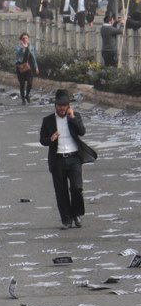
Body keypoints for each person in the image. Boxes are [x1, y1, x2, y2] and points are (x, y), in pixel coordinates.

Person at [39, 89, 97, 229]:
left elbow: (82, 132)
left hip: (74, 158)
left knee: (77, 188)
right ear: (55, 105)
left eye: (64, 105)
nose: (62, 108)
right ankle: (66, 220)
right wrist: (50, 139)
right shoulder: (48, 120)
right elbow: (42, 140)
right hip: (57, 159)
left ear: (68, 106)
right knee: (61, 191)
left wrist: (72, 118)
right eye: (59, 105)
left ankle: (76, 214)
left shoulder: (74, 116)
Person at [15, 32, 39, 105]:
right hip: (21, 67)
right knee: (22, 84)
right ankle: (23, 99)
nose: (25, 39)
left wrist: (36, 67)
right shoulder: (18, 47)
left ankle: (27, 95)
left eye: (26, 38)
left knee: (30, 83)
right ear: (21, 40)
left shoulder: (32, 47)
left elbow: (34, 57)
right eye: (23, 38)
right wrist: (23, 48)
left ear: (28, 39)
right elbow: (18, 55)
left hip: (29, 67)